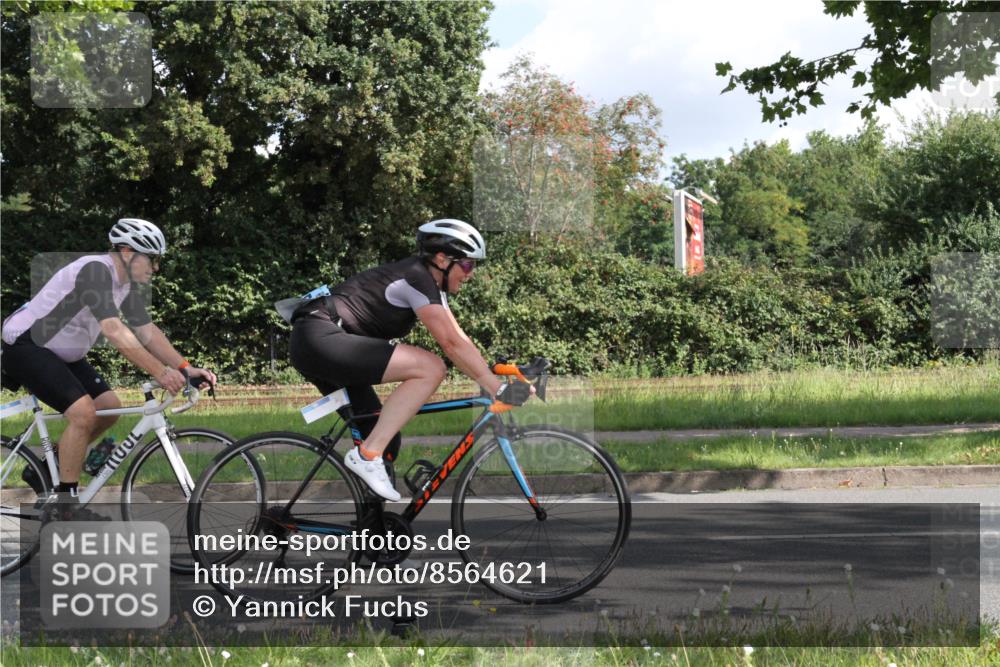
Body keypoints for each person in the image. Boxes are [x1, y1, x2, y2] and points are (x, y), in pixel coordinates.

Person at [288, 219, 523, 501]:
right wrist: (496, 387)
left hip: (320, 343)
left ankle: (373, 531)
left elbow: (460, 339)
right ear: (441, 259)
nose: (470, 274)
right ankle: (367, 455)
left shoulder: (430, 287)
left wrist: (491, 374)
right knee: (431, 367)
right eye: (468, 265)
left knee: (382, 433)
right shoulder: (416, 277)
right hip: (320, 337)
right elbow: (450, 344)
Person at [0, 218, 217, 511]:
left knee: (107, 407)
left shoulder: (123, 285)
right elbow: (114, 330)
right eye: (151, 260)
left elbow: (146, 331)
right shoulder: (95, 272)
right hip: (28, 346)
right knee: (83, 413)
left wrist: (184, 368)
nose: (155, 269)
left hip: (62, 354)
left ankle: (42, 468)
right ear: (127, 252)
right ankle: (66, 505)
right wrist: (160, 372)